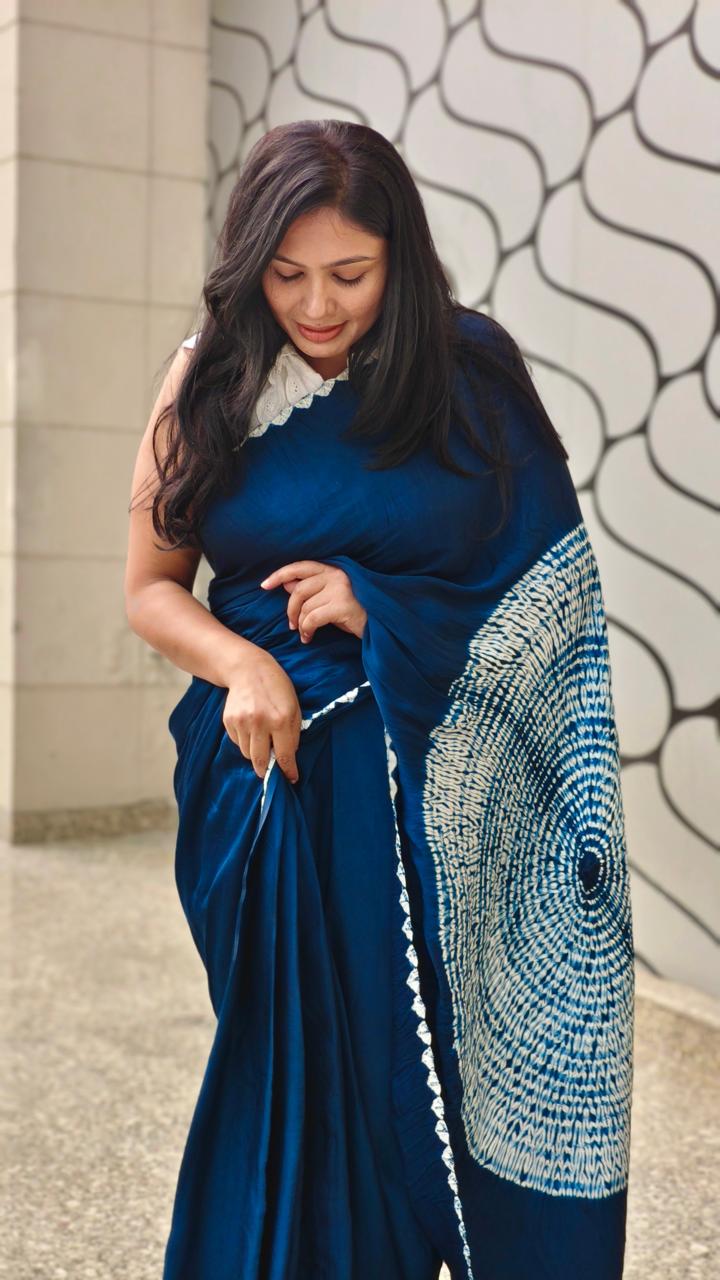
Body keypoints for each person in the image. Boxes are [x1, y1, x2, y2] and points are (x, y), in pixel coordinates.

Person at [124, 119, 635, 1280]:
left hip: (439, 804)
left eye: (350, 274)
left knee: (425, 1101)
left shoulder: (469, 376)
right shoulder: (212, 373)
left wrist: (383, 604)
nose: (316, 303)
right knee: (302, 1095)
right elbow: (152, 592)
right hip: (269, 793)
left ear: (398, 260)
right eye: (287, 273)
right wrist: (244, 666)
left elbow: (549, 605)